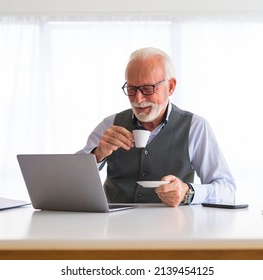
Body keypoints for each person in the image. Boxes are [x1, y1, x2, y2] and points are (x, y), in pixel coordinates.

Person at [77, 47, 235, 207]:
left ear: (171, 86)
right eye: (131, 89)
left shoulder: (195, 127)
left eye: (147, 89)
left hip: (174, 228)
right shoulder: (110, 124)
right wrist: (97, 154)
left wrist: (188, 192)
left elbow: (227, 190)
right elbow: (70, 179)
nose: (138, 99)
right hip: (114, 228)